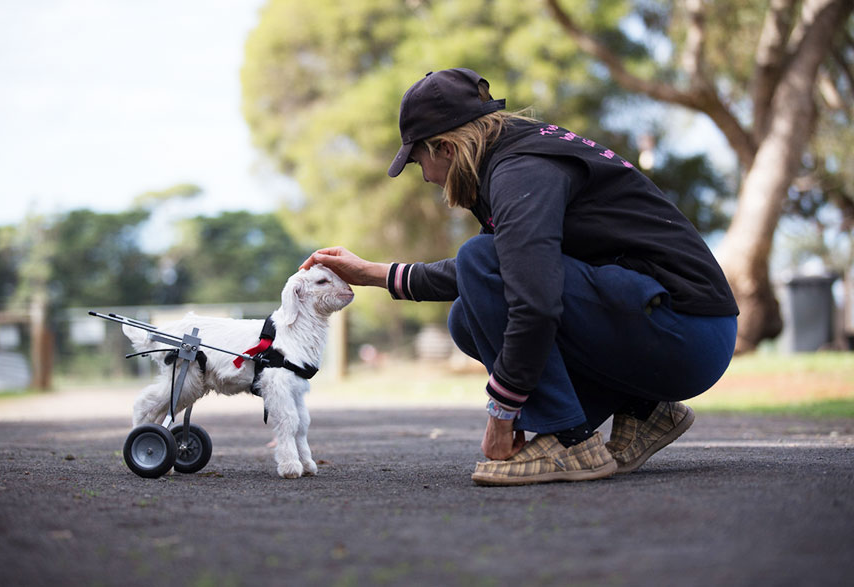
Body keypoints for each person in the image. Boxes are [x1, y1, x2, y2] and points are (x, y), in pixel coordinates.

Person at [300, 68, 738, 486]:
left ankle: (569, 441)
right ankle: (645, 409)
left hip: (687, 334)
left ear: (445, 148)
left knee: (480, 259)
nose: (428, 179)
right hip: (680, 329)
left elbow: (532, 299)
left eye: (418, 164)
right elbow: (502, 271)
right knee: (467, 318)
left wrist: (502, 415)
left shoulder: (520, 170)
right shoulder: (517, 157)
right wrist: (375, 274)